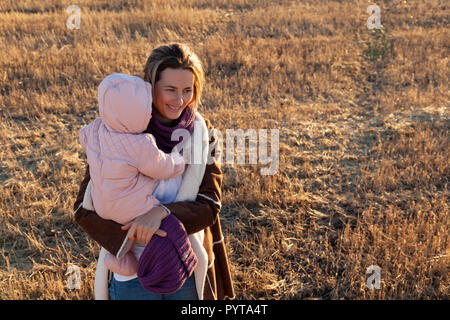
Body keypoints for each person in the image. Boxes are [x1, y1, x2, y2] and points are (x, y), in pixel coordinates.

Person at [73, 43, 235, 300]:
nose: (179, 100)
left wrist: (160, 214)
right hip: (131, 270)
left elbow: (210, 204)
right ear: (150, 88)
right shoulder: (120, 129)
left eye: (187, 90)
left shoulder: (202, 132)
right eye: (170, 89)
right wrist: (130, 237)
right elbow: (83, 208)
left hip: (184, 261)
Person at [79, 73, 188, 278]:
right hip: (131, 208)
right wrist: (179, 161)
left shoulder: (95, 129)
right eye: (146, 111)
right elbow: (162, 168)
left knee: (128, 236)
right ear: (138, 115)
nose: (149, 115)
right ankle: (164, 264)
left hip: (101, 206)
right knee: (163, 227)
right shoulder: (139, 144)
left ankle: (119, 257)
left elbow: (82, 136)